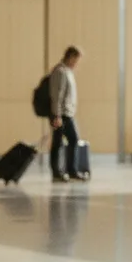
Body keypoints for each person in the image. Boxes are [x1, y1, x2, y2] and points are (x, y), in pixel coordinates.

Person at [49, 46, 87, 183]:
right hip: (61, 114)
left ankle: (65, 171)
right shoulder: (60, 71)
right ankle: (64, 171)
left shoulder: (67, 71)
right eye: (76, 59)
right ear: (70, 57)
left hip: (66, 113)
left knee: (60, 142)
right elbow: (57, 95)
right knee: (65, 141)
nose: (77, 63)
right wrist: (56, 115)